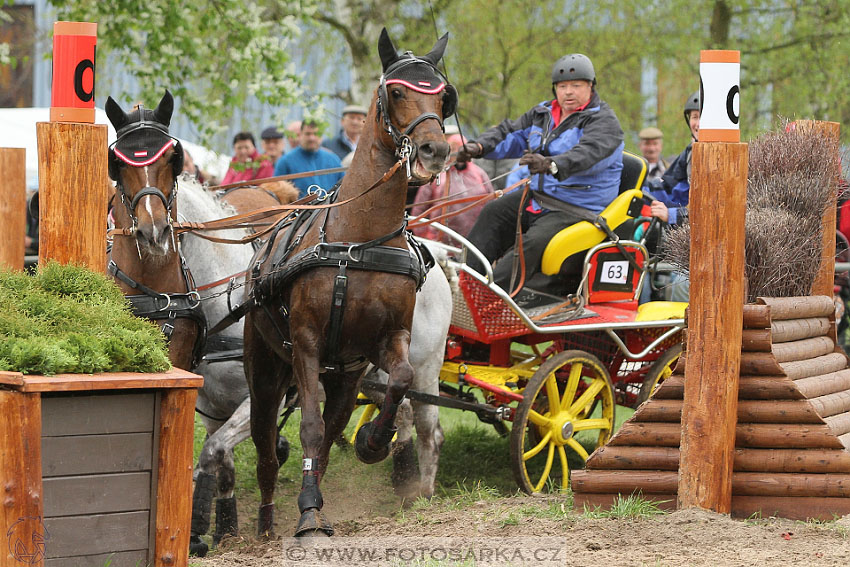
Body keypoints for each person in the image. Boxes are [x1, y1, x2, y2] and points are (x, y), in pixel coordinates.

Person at [458, 53, 624, 291]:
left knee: (532, 243)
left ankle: (489, 297)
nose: (568, 92)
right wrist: (478, 147)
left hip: (577, 209)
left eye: (576, 86)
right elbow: (511, 133)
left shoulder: (604, 122)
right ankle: (463, 282)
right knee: (492, 212)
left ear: (590, 86)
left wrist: (550, 164)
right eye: (562, 86)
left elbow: (588, 154)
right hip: (539, 199)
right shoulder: (543, 113)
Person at [641, 90, 701, 303]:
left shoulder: (723, 155)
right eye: (694, 116)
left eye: (703, 116)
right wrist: (638, 190)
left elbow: (710, 210)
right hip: (684, 238)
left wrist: (673, 215)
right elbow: (667, 188)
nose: (698, 122)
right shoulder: (691, 151)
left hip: (703, 246)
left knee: (682, 286)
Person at [411, 133, 494, 240]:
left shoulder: (479, 173)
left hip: (474, 241)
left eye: (460, 148)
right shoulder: (437, 175)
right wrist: (426, 238)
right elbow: (419, 210)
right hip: (440, 244)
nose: (458, 153)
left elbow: (491, 202)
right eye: (454, 148)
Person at [273, 120, 344, 198]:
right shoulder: (285, 162)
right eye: (308, 134)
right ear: (300, 135)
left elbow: (344, 188)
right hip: (300, 209)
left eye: (315, 134)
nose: (312, 138)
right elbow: (277, 195)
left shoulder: (333, 160)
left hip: (330, 209)